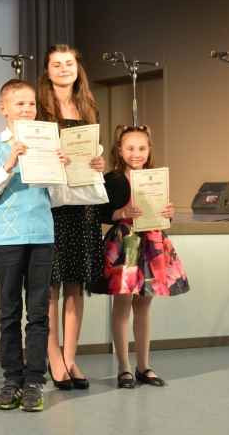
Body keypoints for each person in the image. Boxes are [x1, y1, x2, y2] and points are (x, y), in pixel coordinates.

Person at [0, 79, 66, 412]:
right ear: (4, 109)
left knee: (39, 313)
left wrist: (61, 169)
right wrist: (8, 165)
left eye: (31, 104)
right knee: (9, 312)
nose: (27, 109)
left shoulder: (47, 142)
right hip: (7, 239)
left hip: (41, 236)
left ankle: (34, 382)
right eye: (19, 104)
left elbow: (58, 199)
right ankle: (12, 380)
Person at [90, 125, 190, 388]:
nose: (137, 153)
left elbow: (161, 215)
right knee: (122, 305)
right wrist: (121, 213)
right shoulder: (112, 180)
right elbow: (101, 213)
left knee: (144, 306)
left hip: (152, 243)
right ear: (120, 150)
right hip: (125, 243)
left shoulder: (156, 178)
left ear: (149, 150)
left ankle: (143, 366)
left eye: (142, 148)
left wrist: (168, 213)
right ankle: (124, 367)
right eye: (130, 148)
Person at [35, 44, 105, 390]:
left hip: (84, 204)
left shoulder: (89, 107)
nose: (64, 69)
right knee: (52, 284)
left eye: (69, 63)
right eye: (57, 64)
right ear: (47, 72)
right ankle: (54, 357)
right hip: (53, 204)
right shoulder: (39, 111)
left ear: (78, 70)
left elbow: (93, 154)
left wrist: (99, 162)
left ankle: (71, 357)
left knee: (76, 284)